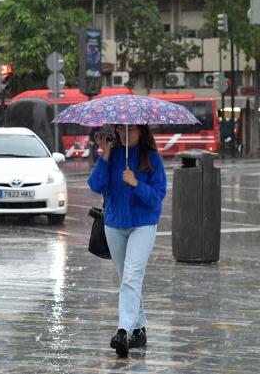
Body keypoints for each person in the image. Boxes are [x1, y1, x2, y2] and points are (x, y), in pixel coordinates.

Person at [87, 124, 166, 358]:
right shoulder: (112, 155)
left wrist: (136, 184)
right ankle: (140, 329)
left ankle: (122, 331)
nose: (124, 134)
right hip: (114, 225)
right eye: (121, 130)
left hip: (143, 225)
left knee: (131, 277)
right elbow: (95, 185)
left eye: (130, 130)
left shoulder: (151, 158)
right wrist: (105, 155)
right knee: (127, 279)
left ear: (141, 132)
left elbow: (157, 198)